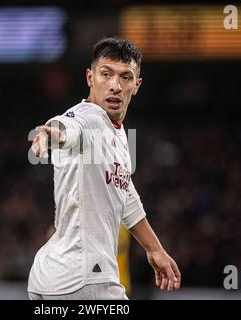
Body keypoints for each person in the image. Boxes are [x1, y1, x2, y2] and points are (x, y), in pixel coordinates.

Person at [28, 37, 181, 300]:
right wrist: (49, 135)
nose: (115, 86)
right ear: (90, 77)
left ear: (137, 86)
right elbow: (68, 126)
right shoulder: (89, 118)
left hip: (54, 278)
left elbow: (128, 197)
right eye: (106, 74)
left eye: (125, 77)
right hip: (86, 279)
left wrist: (154, 249)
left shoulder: (118, 136)